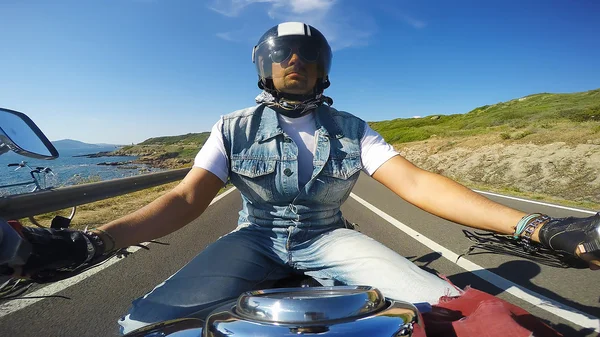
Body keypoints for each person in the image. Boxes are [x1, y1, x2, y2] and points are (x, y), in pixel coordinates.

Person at [8, 22, 599, 335]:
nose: (295, 64)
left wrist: (539, 225)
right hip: (255, 236)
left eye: (307, 60)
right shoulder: (231, 126)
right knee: (141, 321)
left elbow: (417, 185)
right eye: (283, 58)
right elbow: (187, 198)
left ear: (322, 73)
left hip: (328, 236)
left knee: (446, 308)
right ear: (265, 69)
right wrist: (94, 241)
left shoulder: (353, 127)